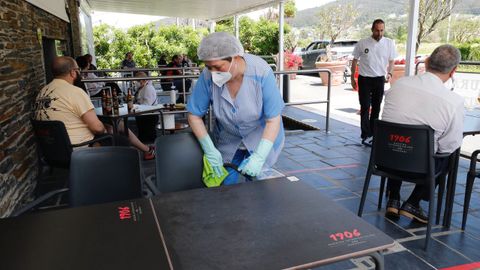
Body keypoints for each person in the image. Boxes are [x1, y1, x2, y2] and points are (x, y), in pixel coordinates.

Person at [187, 32, 285, 184]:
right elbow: (194, 115)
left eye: (217, 67)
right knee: (225, 186)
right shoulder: (207, 76)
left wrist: (259, 156)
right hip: (229, 138)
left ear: (236, 57)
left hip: (260, 137)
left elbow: (273, 119)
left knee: (259, 187)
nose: (212, 73)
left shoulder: (262, 72)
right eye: (208, 67)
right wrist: (210, 150)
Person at [381, 44, 464, 224]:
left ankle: (393, 198)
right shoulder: (453, 101)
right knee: (447, 156)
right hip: (421, 169)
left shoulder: (399, 84)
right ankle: (413, 202)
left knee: (400, 139)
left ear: (426, 62)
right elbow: (449, 145)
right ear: (453, 71)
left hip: (385, 161)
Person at [34, 56, 155, 160]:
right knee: (121, 140)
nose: (79, 72)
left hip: (52, 151)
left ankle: (146, 149)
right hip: (78, 150)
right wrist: (106, 130)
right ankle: (120, 178)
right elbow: (97, 128)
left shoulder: (42, 92)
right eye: (78, 70)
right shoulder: (74, 92)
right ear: (72, 72)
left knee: (116, 126)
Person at [351, 19, 396, 147]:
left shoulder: (389, 43)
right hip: (364, 79)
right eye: (377, 30)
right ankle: (365, 134)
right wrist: (352, 78)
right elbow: (354, 60)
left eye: (382, 30)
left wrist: (390, 73)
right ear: (372, 29)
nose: (380, 33)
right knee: (365, 106)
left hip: (379, 79)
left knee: (376, 107)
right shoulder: (363, 43)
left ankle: (373, 133)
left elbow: (392, 61)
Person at [134, 72, 159, 142]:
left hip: (149, 116)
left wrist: (136, 106)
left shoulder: (148, 88)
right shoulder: (142, 88)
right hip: (143, 115)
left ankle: (150, 149)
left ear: (143, 80)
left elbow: (147, 106)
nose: (136, 83)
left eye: (138, 81)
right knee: (143, 136)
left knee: (148, 137)